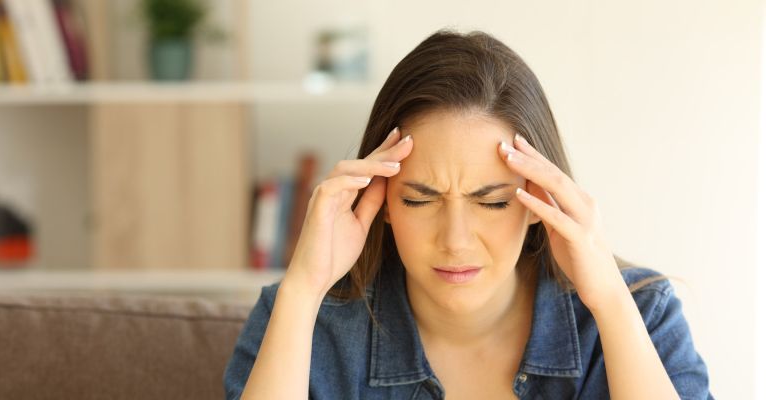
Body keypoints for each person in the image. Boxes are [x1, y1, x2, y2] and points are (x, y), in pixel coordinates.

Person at [223, 30, 712, 399]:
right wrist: (303, 291)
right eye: (420, 200)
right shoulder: (304, 318)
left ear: (540, 198)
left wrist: (609, 302)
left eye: (492, 202)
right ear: (381, 199)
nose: (455, 241)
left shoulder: (641, 313)